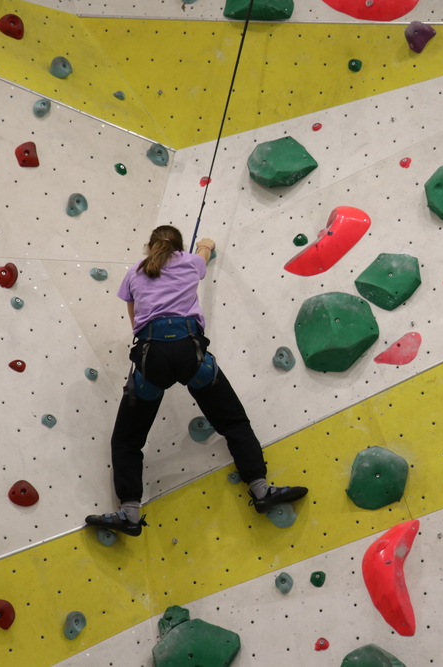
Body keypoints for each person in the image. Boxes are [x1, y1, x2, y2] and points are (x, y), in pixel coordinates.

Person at [85, 225, 308, 536]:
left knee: (127, 440)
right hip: (190, 353)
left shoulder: (135, 272)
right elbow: (205, 250)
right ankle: (261, 490)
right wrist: (204, 245)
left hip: (152, 357)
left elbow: (135, 322)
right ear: (179, 247)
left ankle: (130, 513)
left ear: (149, 247)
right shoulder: (191, 262)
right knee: (234, 423)